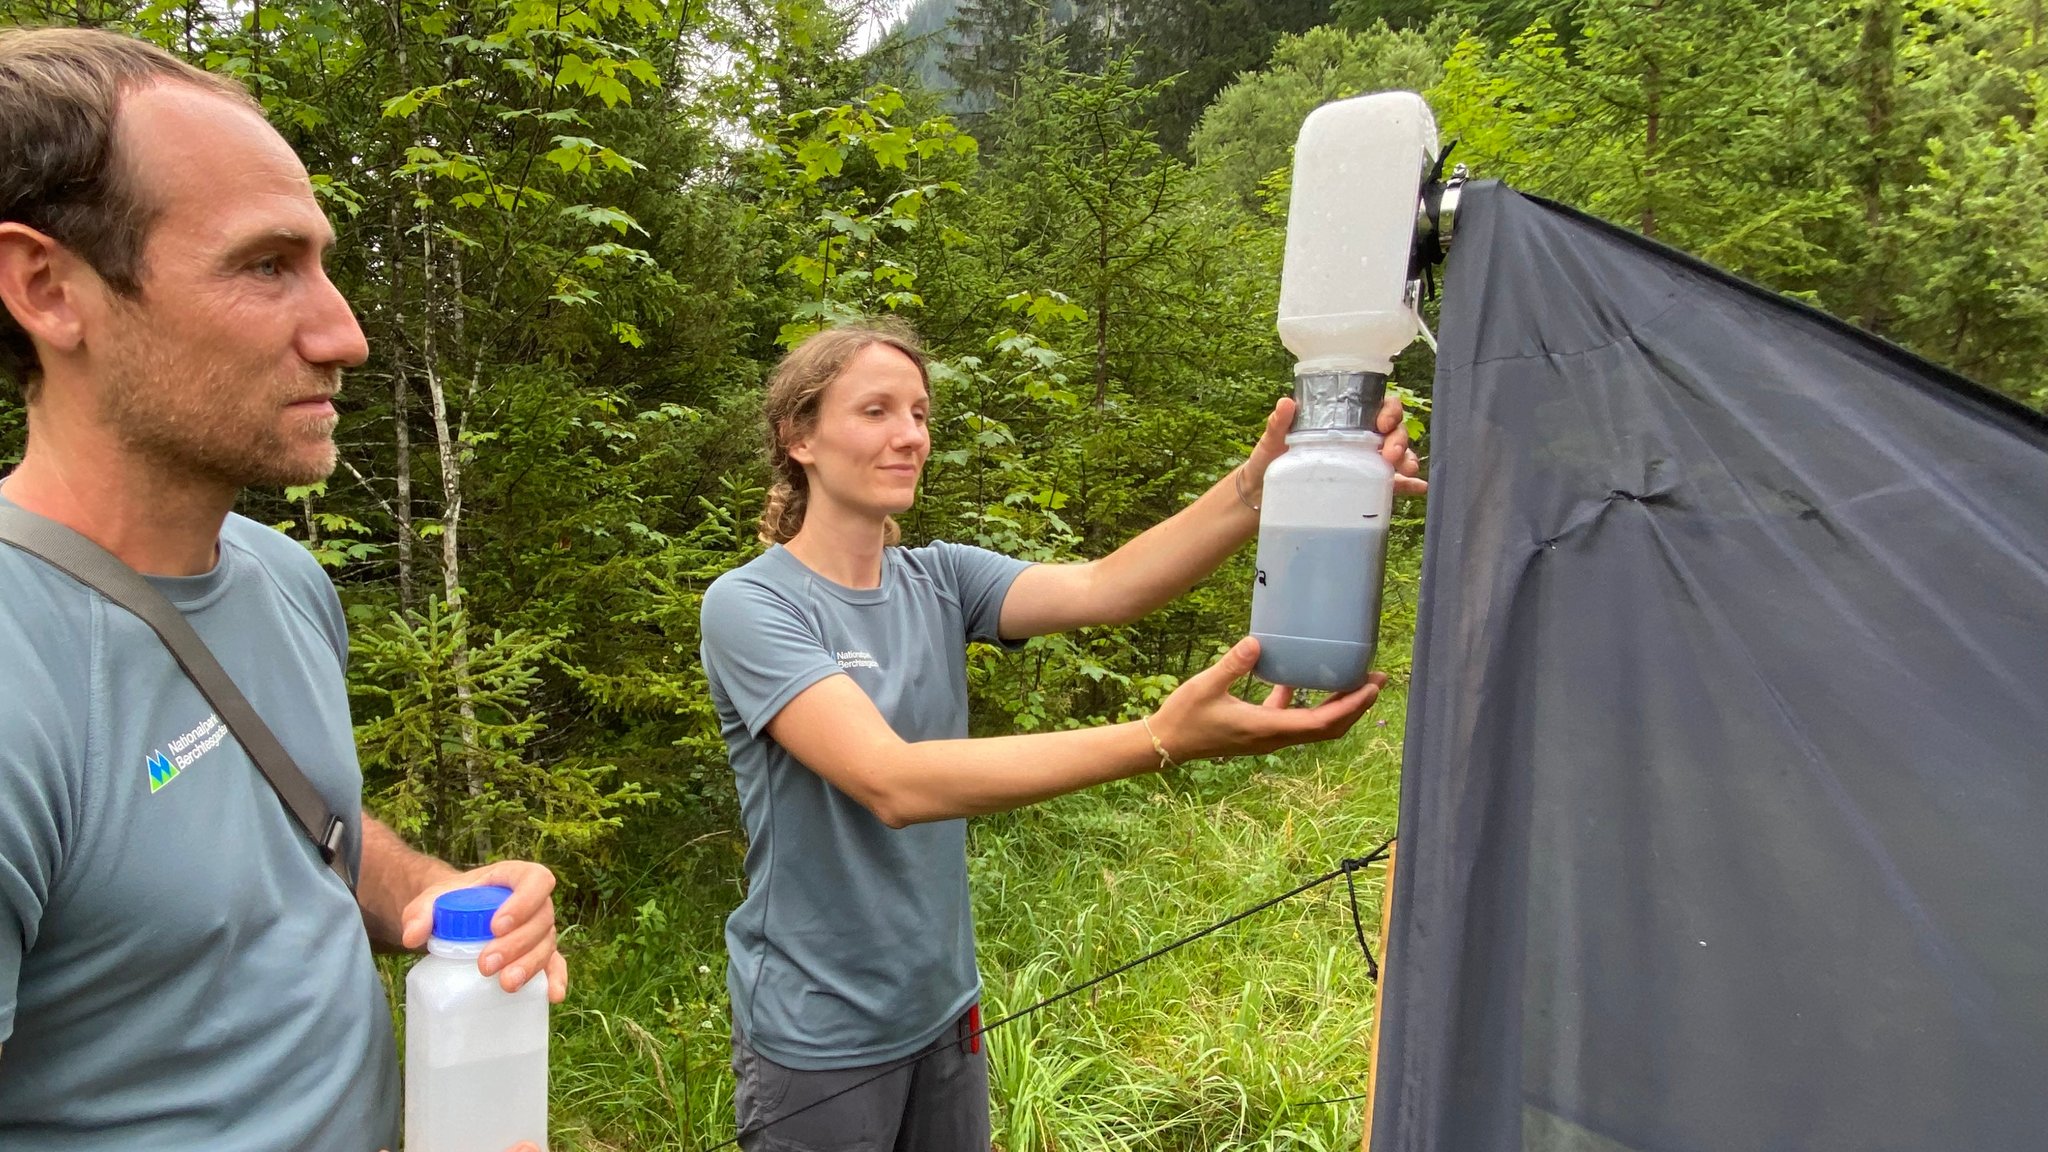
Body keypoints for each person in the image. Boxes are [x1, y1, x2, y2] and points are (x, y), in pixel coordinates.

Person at [0, 28, 565, 1151]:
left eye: (321, 261)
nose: (343, 333)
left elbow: (302, 832)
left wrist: (440, 899)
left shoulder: (282, 578)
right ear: (47, 288)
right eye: (266, 266)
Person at [699, 320, 1423, 1150]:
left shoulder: (940, 577)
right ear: (801, 438)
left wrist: (1268, 483)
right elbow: (891, 781)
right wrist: (1161, 737)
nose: (910, 436)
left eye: (921, 414)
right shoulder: (753, 605)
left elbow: (1106, 587)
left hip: (943, 1006)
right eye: (876, 412)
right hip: (818, 1031)